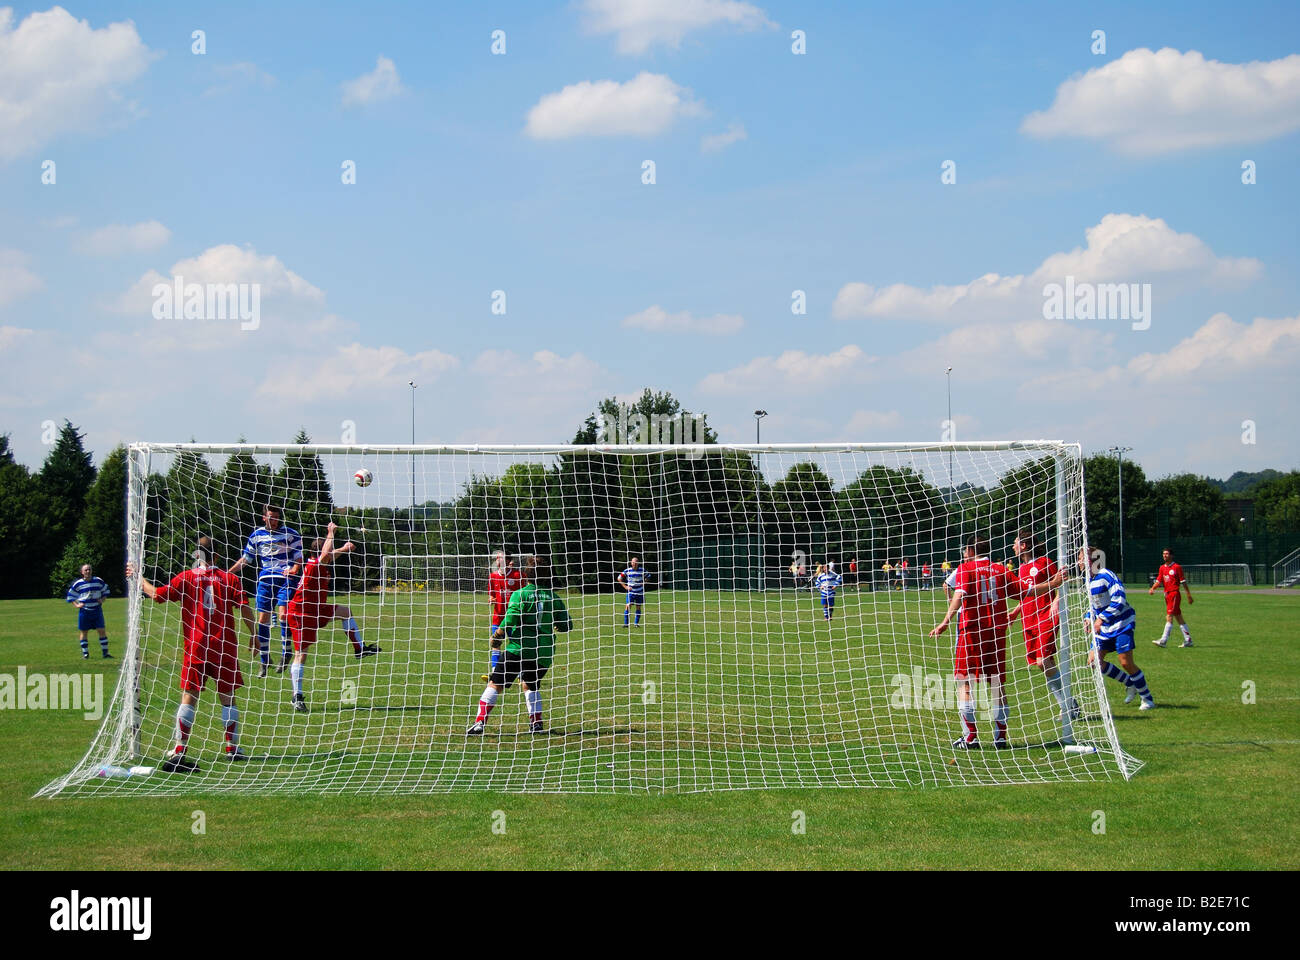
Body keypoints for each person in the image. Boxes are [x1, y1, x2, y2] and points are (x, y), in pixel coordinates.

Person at [128, 537, 256, 771]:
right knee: (227, 696)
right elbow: (245, 606)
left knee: (189, 696)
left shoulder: (186, 577)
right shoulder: (230, 579)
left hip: (197, 647)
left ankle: (180, 747)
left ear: (197, 555)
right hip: (225, 645)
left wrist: (138, 578)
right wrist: (254, 634)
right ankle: (232, 747)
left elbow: (157, 595)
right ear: (216, 556)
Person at [930, 535, 1063, 749]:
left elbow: (959, 595)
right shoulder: (1001, 570)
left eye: (965, 550)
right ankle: (1000, 736)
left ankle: (970, 737)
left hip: (972, 631)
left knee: (965, 681)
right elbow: (1026, 591)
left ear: (972, 551)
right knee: (997, 683)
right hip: (996, 632)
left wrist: (946, 621)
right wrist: (1054, 584)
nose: (964, 554)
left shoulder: (966, 568)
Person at [468, 555, 572, 735]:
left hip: (518, 648)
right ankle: (536, 723)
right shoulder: (554, 598)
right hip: (542, 652)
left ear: (526, 574)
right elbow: (567, 625)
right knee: (530, 685)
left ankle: (479, 723)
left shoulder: (520, 594)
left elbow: (510, 618)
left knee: (495, 684)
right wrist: (556, 623)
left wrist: (498, 635)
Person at [285, 522, 380, 713]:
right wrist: (330, 533)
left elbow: (329, 554)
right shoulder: (314, 566)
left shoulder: (320, 564)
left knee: (346, 612)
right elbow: (327, 555)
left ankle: (359, 649)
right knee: (301, 654)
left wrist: (344, 548)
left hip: (317, 609)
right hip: (301, 613)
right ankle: (297, 697)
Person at [1007, 530, 1079, 743]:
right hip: (1028, 619)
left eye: (1016, 543)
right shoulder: (1021, 569)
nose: (1013, 546)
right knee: (1042, 663)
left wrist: (1057, 602)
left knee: (1043, 661)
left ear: (1025, 546)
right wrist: (1016, 611)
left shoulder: (1045, 562)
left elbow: (1060, 583)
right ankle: (1070, 703)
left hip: (1045, 616)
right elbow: (1027, 593)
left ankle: (1066, 707)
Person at [228, 504, 303, 678]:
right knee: (263, 619)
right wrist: (228, 573)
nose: (274, 520)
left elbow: (299, 559)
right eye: (270, 517)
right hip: (265, 580)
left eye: (276, 517)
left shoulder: (291, 534)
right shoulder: (256, 535)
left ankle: (286, 653)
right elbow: (246, 559)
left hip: (285, 578)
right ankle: (264, 659)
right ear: (264, 518)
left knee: (283, 614)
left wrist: (294, 569)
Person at [1082, 548, 1155, 710]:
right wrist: (1089, 618)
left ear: (1092, 560)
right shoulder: (1088, 580)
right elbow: (1094, 606)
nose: (1079, 562)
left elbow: (1120, 598)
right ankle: (1130, 683)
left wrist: (1101, 619)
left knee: (1126, 663)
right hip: (1105, 628)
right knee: (1093, 662)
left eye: (1081, 558)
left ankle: (1147, 699)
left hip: (1122, 624)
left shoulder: (1106, 575)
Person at [482, 552, 523, 681]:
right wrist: (491, 599)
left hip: (514, 618)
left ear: (507, 560)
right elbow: (491, 595)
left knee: (517, 644)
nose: (497, 559)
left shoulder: (518, 575)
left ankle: (521, 674)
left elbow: (523, 593)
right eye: (497, 557)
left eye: (499, 557)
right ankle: (495, 673)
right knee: (495, 643)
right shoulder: (493, 576)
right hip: (498, 617)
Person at [1149, 548, 1194, 648]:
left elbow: (1183, 582)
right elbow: (1159, 581)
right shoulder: (1162, 568)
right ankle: (1188, 640)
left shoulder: (1177, 567)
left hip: (1174, 594)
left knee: (1169, 616)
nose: (1164, 556)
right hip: (1167, 595)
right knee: (1179, 617)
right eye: (1163, 554)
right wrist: (1153, 588)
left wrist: (1188, 595)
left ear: (1171, 555)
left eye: (1167, 554)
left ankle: (1163, 640)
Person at [66, 563, 112, 659]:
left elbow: (106, 590)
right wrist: (77, 605)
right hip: (84, 611)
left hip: (97, 610)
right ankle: (85, 654)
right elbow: (70, 596)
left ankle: (105, 653)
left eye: (89, 569)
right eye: (86, 570)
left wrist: (102, 599)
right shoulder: (78, 584)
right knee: (84, 632)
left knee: (101, 630)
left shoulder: (98, 581)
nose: (88, 571)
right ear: (82, 572)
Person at [618, 556, 648, 627]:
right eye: (633, 562)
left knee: (638, 607)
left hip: (639, 592)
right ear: (631, 563)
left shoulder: (642, 570)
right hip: (631, 592)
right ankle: (626, 624)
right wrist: (625, 586)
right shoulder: (627, 571)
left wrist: (644, 582)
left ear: (638, 563)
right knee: (628, 606)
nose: (635, 564)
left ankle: (636, 624)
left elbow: (648, 576)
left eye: (636, 562)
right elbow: (619, 578)